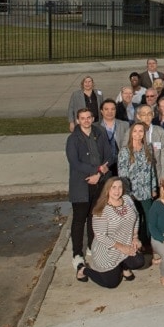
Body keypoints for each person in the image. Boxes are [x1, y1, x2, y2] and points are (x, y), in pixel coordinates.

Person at [75, 177, 145, 287]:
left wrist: (135, 237)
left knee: (139, 261)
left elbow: (136, 217)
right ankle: (83, 270)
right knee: (112, 283)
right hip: (107, 250)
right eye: (114, 188)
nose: (117, 191)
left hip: (125, 243)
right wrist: (121, 247)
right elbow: (100, 236)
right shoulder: (101, 209)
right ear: (107, 190)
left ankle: (123, 266)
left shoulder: (127, 199)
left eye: (120, 187)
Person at [67, 108, 112, 269]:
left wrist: (99, 175)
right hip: (81, 184)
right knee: (79, 220)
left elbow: (109, 155)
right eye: (82, 118)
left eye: (88, 117)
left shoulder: (99, 133)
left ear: (93, 118)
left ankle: (92, 246)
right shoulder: (73, 139)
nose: (86, 120)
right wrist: (95, 171)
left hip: (98, 183)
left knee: (94, 218)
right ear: (78, 120)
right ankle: (77, 253)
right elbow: (75, 162)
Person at [117, 121, 157, 247]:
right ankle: (135, 243)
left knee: (149, 217)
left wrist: (153, 187)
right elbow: (122, 175)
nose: (138, 134)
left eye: (141, 131)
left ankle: (148, 243)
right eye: (135, 131)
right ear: (131, 133)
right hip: (132, 192)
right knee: (135, 218)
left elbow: (152, 170)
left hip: (146, 191)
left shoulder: (148, 148)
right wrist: (127, 193)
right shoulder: (125, 151)